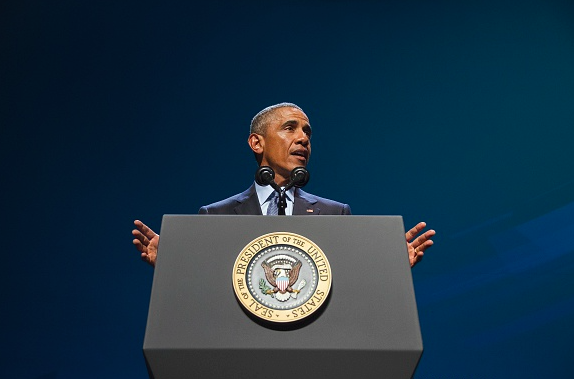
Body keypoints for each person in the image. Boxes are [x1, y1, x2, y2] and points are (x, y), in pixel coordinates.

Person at [133, 102, 435, 268]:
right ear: (256, 142)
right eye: (290, 128)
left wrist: (391, 268)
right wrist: (170, 268)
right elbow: (205, 285)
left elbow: (347, 282)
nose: (303, 138)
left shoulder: (336, 213)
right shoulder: (216, 215)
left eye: (307, 132)